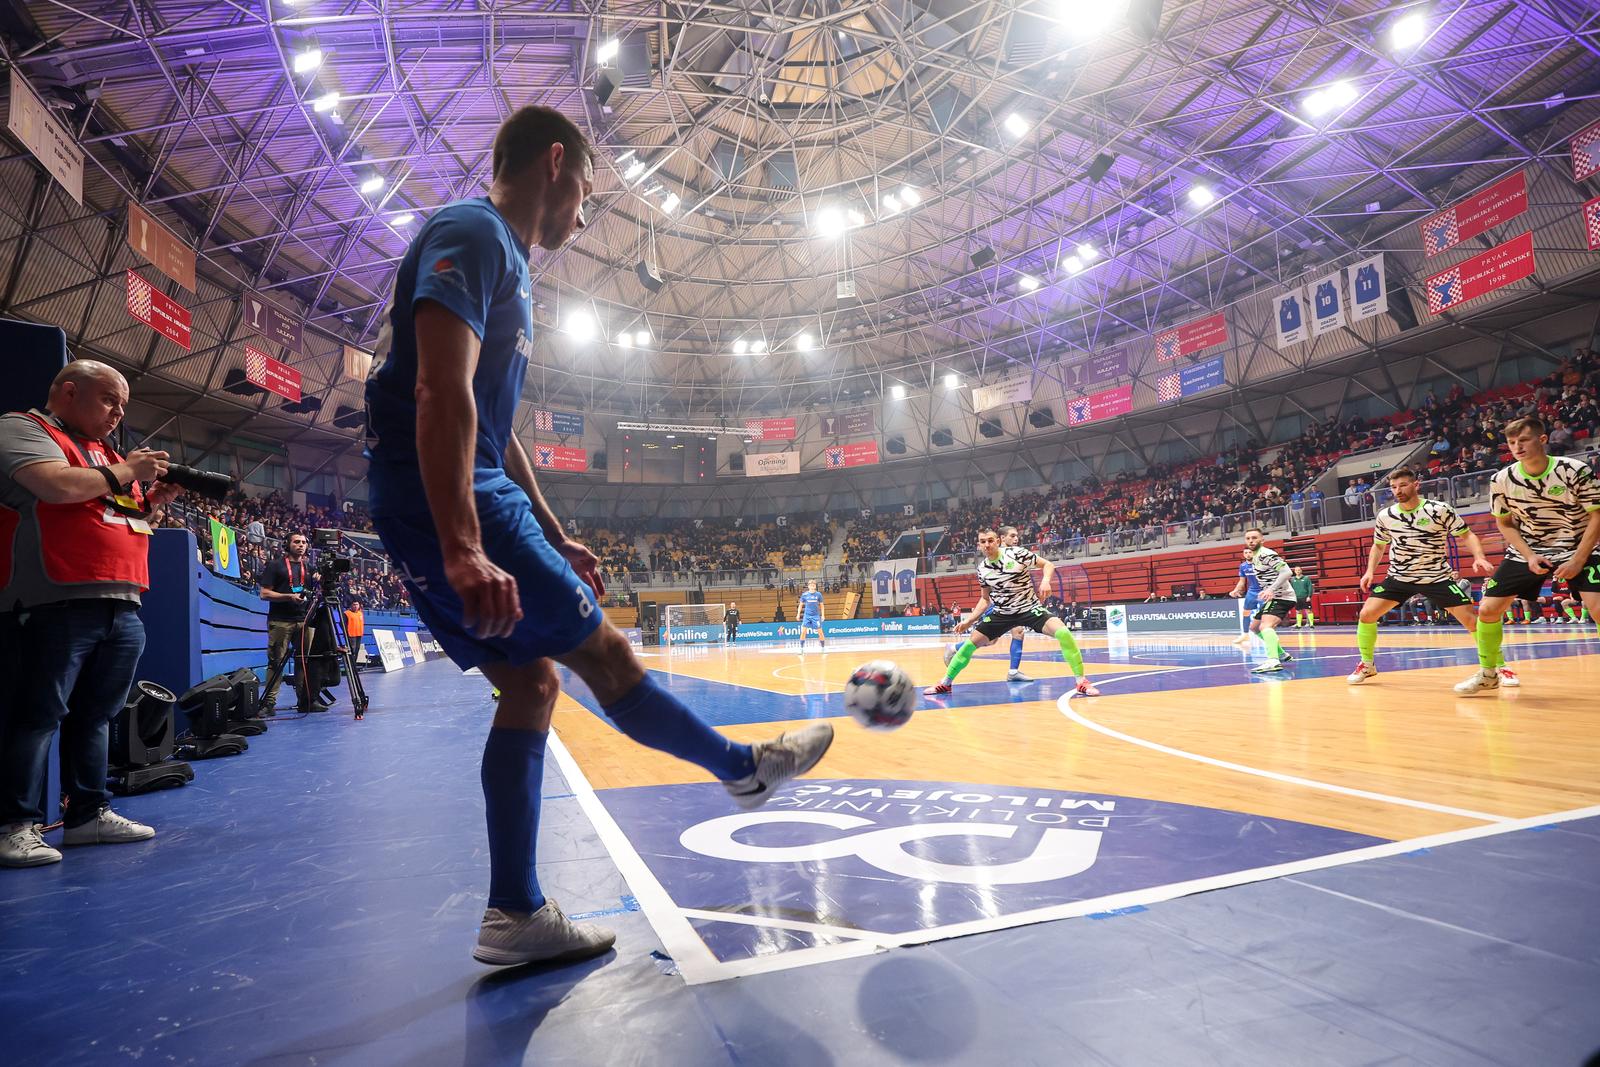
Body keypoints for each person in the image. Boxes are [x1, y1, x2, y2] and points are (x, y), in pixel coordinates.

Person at [362, 104, 832, 966]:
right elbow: (441, 393)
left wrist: (554, 529)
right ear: (556, 163)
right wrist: (467, 542)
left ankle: (514, 913)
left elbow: (494, 427)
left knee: (532, 685)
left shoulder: (503, 261)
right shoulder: (475, 231)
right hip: (450, 495)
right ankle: (745, 768)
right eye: (587, 191)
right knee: (607, 657)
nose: (585, 213)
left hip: (446, 492)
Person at [0, 360, 183, 867]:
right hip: (53, 600)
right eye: (109, 401)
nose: (117, 415)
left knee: (97, 715)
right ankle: (15, 825)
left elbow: (123, 519)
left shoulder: (107, 454)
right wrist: (128, 471)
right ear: (67, 391)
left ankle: (87, 815)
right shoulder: (21, 428)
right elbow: (56, 487)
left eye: (122, 407)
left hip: (122, 603)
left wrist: (154, 503)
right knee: (37, 716)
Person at [1456, 416, 1600, 694]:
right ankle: (1489, 673)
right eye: (1512, 443)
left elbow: (1597, 515)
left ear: (1542, 439)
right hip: (1529, 550)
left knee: (1598, 608)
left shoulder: (1574, 470)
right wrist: (1530, 556)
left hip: (1579, 546)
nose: (1517, 447)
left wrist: (1578, 559)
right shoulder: (1502, 479)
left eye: (1523, 440)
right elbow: (1504, 523)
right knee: (1487, 610)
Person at [1347, 467, 1496, 685]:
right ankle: (1367, 665)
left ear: (1416, 485)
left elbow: (1467, 534)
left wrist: (1479, 556)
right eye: (1393, 487)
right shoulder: (1386, 515)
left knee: (1471, 620)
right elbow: (1378, 546)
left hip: (1436, 576)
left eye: (1403, 485)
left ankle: (1496, 667)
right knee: (1367, 614)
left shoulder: (1439, 509)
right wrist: (1369, 571)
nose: (1398, 490)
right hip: (1400, 576)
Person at [923, 529, 1099, 698]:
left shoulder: (1017, 554)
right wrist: (969, 621)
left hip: (1029, 609)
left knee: (1063, 633)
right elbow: (985, 599)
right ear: (979, 545)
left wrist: (1045, 581)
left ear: (998, 541)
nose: (987, 545)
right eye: (983, 542)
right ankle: (945, 683)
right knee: (970, 645)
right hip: (1002, 613)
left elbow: (1048, 565)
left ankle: (1081, 682)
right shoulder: (982, 569)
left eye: (990, 541)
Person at [258, 532, 327, 712]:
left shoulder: (310, 568)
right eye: (296, 542)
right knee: (276, 663)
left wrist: (322, 580)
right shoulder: (275, 566)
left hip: (305, 621)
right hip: (281, 621)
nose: (301, 545)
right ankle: (269, 703)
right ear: (287, 544)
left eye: (304, 542)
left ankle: (306, 701)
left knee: (304, 662)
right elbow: (264, 593)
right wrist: (288, 596)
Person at [1240, 529, 1297, 674]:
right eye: (1248, 538)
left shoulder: (1266, 554)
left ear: (1262, 540)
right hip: (1274, 596)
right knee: (1254, 627)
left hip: (1281, 596)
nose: (1251, 541)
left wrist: (1271, 589)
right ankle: (1281, 654)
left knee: (1266, 626)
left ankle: (1273, 660)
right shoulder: (1256, 556)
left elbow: (1287, 572)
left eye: (1254, 538)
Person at [1228, 548, 1265, 648]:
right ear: (1243, 554)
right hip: (1251, 591)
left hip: (1263, 591)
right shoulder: (1243, 566)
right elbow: (1242, 581)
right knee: (1246, 612)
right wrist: (1236, 590)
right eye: (1246, 553)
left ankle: (1268, 634)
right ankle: (1245, 635)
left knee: (1265, 614)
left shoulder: (1260, 564)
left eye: (1250, 552)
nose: (1248, 554)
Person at [797, 579, 826, 652]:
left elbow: (822, 605)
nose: (813, 586)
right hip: (807, 616)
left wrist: (823, 615)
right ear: (808, 586)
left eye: (814, 585)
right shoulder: (805, 595)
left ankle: (823, 647)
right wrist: (798, 614)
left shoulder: (818, 594)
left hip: (816, 616)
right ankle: (801, 648)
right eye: (811, 585)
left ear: (815, 586)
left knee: (820, 632)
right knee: (803, 631)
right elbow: (800, 605)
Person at [344, 598, 367, 665]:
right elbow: (342, 624)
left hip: (359, 634)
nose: (355, 606)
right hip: (351, 635)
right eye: (354, 604)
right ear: (351, 605)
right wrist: (346, 632)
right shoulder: (346, 613)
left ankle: (354, 665)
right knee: (352, 651)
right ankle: (350, 665)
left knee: (357, 651)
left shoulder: (360, 613)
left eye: (357, 604)